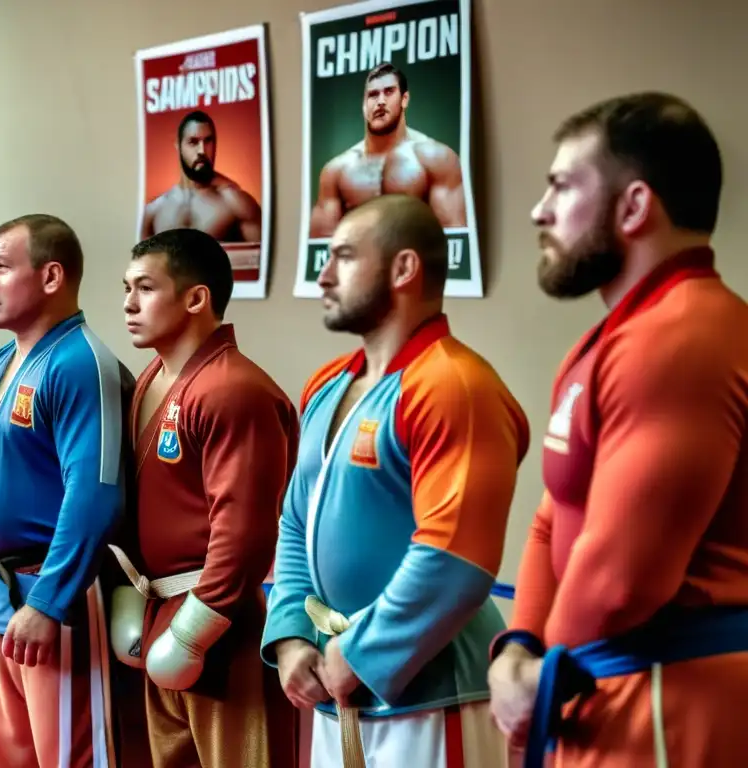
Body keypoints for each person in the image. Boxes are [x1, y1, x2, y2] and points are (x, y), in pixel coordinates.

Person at [488, 92, 748, 768]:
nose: (539, 211)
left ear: (634, 207)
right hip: (597, 682)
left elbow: (620, 584)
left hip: (668, 697)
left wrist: (536, 684)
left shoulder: (683, 337)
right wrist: (519, 648)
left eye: (562, 186)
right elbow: (555, 516)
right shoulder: (610, 340)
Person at [263, 194, 528, 767]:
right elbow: (293, 523)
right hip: (338, 687)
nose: (323, 275)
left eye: (344, 257)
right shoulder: (327, 386)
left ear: (404, 268)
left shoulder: (455, 385)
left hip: (434, 696)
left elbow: (455, 556)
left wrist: (358, 655)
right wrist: (290, 634)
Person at [0, 213, 130, 768]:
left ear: (51, 277)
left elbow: (95, 495)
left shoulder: (79, 364)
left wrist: (50, 599)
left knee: (68, 759)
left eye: (1, 267)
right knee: (2, 758)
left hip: (58, 599)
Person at [114, 227, 300, 768]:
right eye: (126, 287)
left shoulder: (233, 390)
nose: (128, 303)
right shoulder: (151, 379)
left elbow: (243, 532)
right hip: (158, 614)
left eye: (145, 288)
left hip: (220, 624)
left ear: (196, 298)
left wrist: (197, 629)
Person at [309, 63, 467, 237]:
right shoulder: (337, 170)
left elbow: (455, 241)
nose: (380, 101)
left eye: (389, 92)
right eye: (373, 95)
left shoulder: (436, 159)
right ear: (364, 105)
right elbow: (321, 246)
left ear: (404, 99)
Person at [140, 110, 263, 243]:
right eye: (193, 142)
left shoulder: (236, 204)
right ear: (178, 146)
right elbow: (143, 262)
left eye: (208, 141)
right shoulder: (154, 211)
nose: (202, 151)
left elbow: (260, 259)